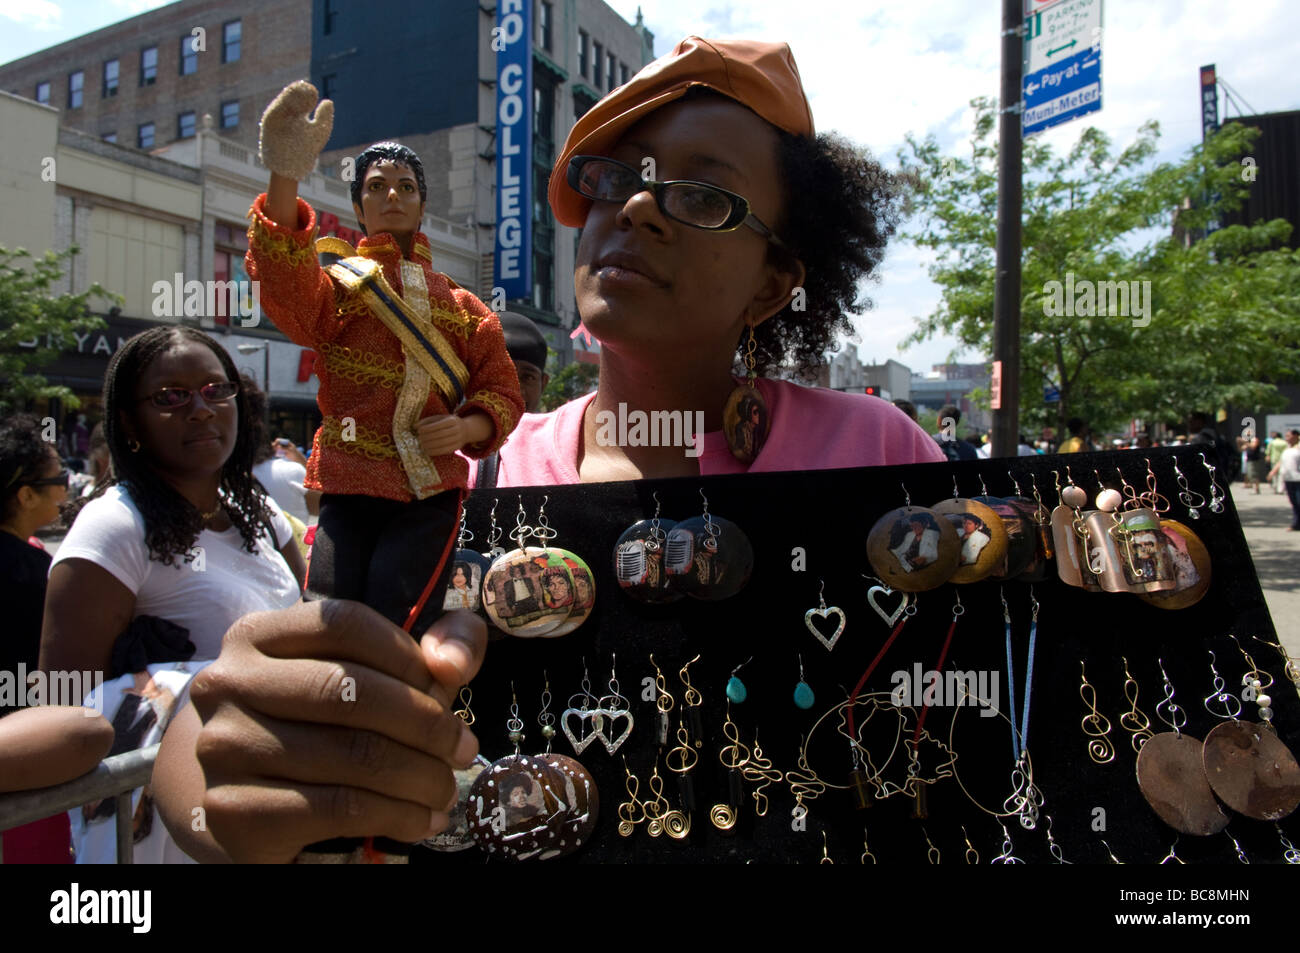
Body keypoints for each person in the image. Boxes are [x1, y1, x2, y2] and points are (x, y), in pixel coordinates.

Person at [152, 36, 945, 862]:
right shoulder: (478, 476)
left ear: (775, 282)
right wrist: (220, 784)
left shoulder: (879, 447)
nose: (636, 208)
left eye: (703, 195)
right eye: (616, 178)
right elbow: (242, 704)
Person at [249, 83, 524, 637]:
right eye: (377, 187)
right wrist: (285, 175)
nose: (392, 196)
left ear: (423, 203)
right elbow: (288, 291)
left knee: (399, 619)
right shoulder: (339, 288)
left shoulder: (464, 306)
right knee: (328, 614)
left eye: (405, 187)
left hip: (431, 491)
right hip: (349, 484)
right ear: (358, 206)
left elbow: (503, 389)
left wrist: (468, 425)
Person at [40, 326, 306, 862]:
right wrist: (168, 688)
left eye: (215, 390)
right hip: (172, 830)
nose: (201, 409)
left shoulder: (259, 512)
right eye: (170, 397)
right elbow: (66, 703)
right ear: (129, 422)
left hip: (280, 797)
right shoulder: (114, 525)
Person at [498, 311, 551, 414]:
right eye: (504, 375)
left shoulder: (557, 430)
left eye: (528, 377)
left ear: (543, 383)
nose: (516, 391)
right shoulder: (460, 427)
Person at [1267, 429, 1300, 531]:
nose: (1286, 438)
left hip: (1298, 479)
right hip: (1289, 479)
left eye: (1288, 436)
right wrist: (1272, 472)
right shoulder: (1287, 448)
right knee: (1294, 502)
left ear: (1296, 436)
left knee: (1299, 502)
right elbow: (1281, 462)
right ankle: (1296, 524)